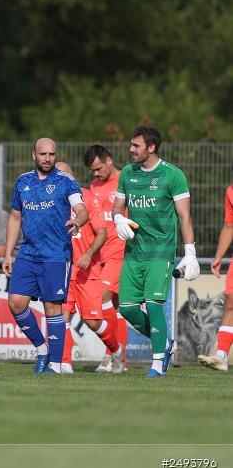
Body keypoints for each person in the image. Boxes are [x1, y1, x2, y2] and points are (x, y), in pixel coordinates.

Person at [111, 126, 198, 377]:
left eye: (136, 145)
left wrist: (190, 253)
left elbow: (184, 216)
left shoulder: (173, 175)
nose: (131, 149)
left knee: (153, 305)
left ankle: (157, 364)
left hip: (161, 252)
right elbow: (118, 206)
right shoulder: (128, 173)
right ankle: (166, 343)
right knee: (127, 309)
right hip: (133, 253)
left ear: (151, 147)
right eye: (131, 144)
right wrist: (118, 219)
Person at [3, 138, 88, 375]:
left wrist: (78, 221)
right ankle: (42, 350)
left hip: (56, 255)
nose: (48, 158)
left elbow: (82, 210)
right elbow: (15, 218)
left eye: (52, 154)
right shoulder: (22, 181)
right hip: (28, 253)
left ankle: (56, 365)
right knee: (16, 302)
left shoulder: (66, 181)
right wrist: (8, 253)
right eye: (43, 154)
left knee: (52, 308)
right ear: (34, 155)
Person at [54, 162, 122, 374]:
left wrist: (88, 253)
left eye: (63, 177)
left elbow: (102, 233)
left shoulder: (88, 198)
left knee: (93, 322)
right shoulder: (50, 201)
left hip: (87, 270)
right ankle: (65, 363)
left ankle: (115, 350)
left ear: (72, 179)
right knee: (61, 316)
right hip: (63, 269)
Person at [84, 144, 131, 372]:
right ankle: (120, 359)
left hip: (120, 251)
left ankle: (111, 354)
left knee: (101, 298)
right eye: (93, 170)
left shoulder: (126, 180)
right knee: (116, 307)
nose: (96, 173)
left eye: (99, 168)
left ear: (109, 161)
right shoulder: (94, 186)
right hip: (100, 254)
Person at [199, 173, 233, 372]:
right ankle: (221, 356)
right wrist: (218, 256)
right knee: (231, 302)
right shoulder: (231, 191)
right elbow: (229, 226)